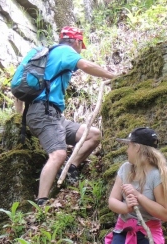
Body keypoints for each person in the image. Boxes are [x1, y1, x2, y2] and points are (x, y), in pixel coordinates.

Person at [15, 26, 117, 206]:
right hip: (44, 113)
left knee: (93, 134)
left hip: (52, 115)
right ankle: (42, 201)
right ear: (77, 42)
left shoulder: (47, 56)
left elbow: (17, 94)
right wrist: (113, 76)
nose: (80, 49)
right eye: (81, 45)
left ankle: (72, 166)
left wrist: (20, 116)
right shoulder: (65, 51)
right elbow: (85, 65)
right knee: (58, 153)